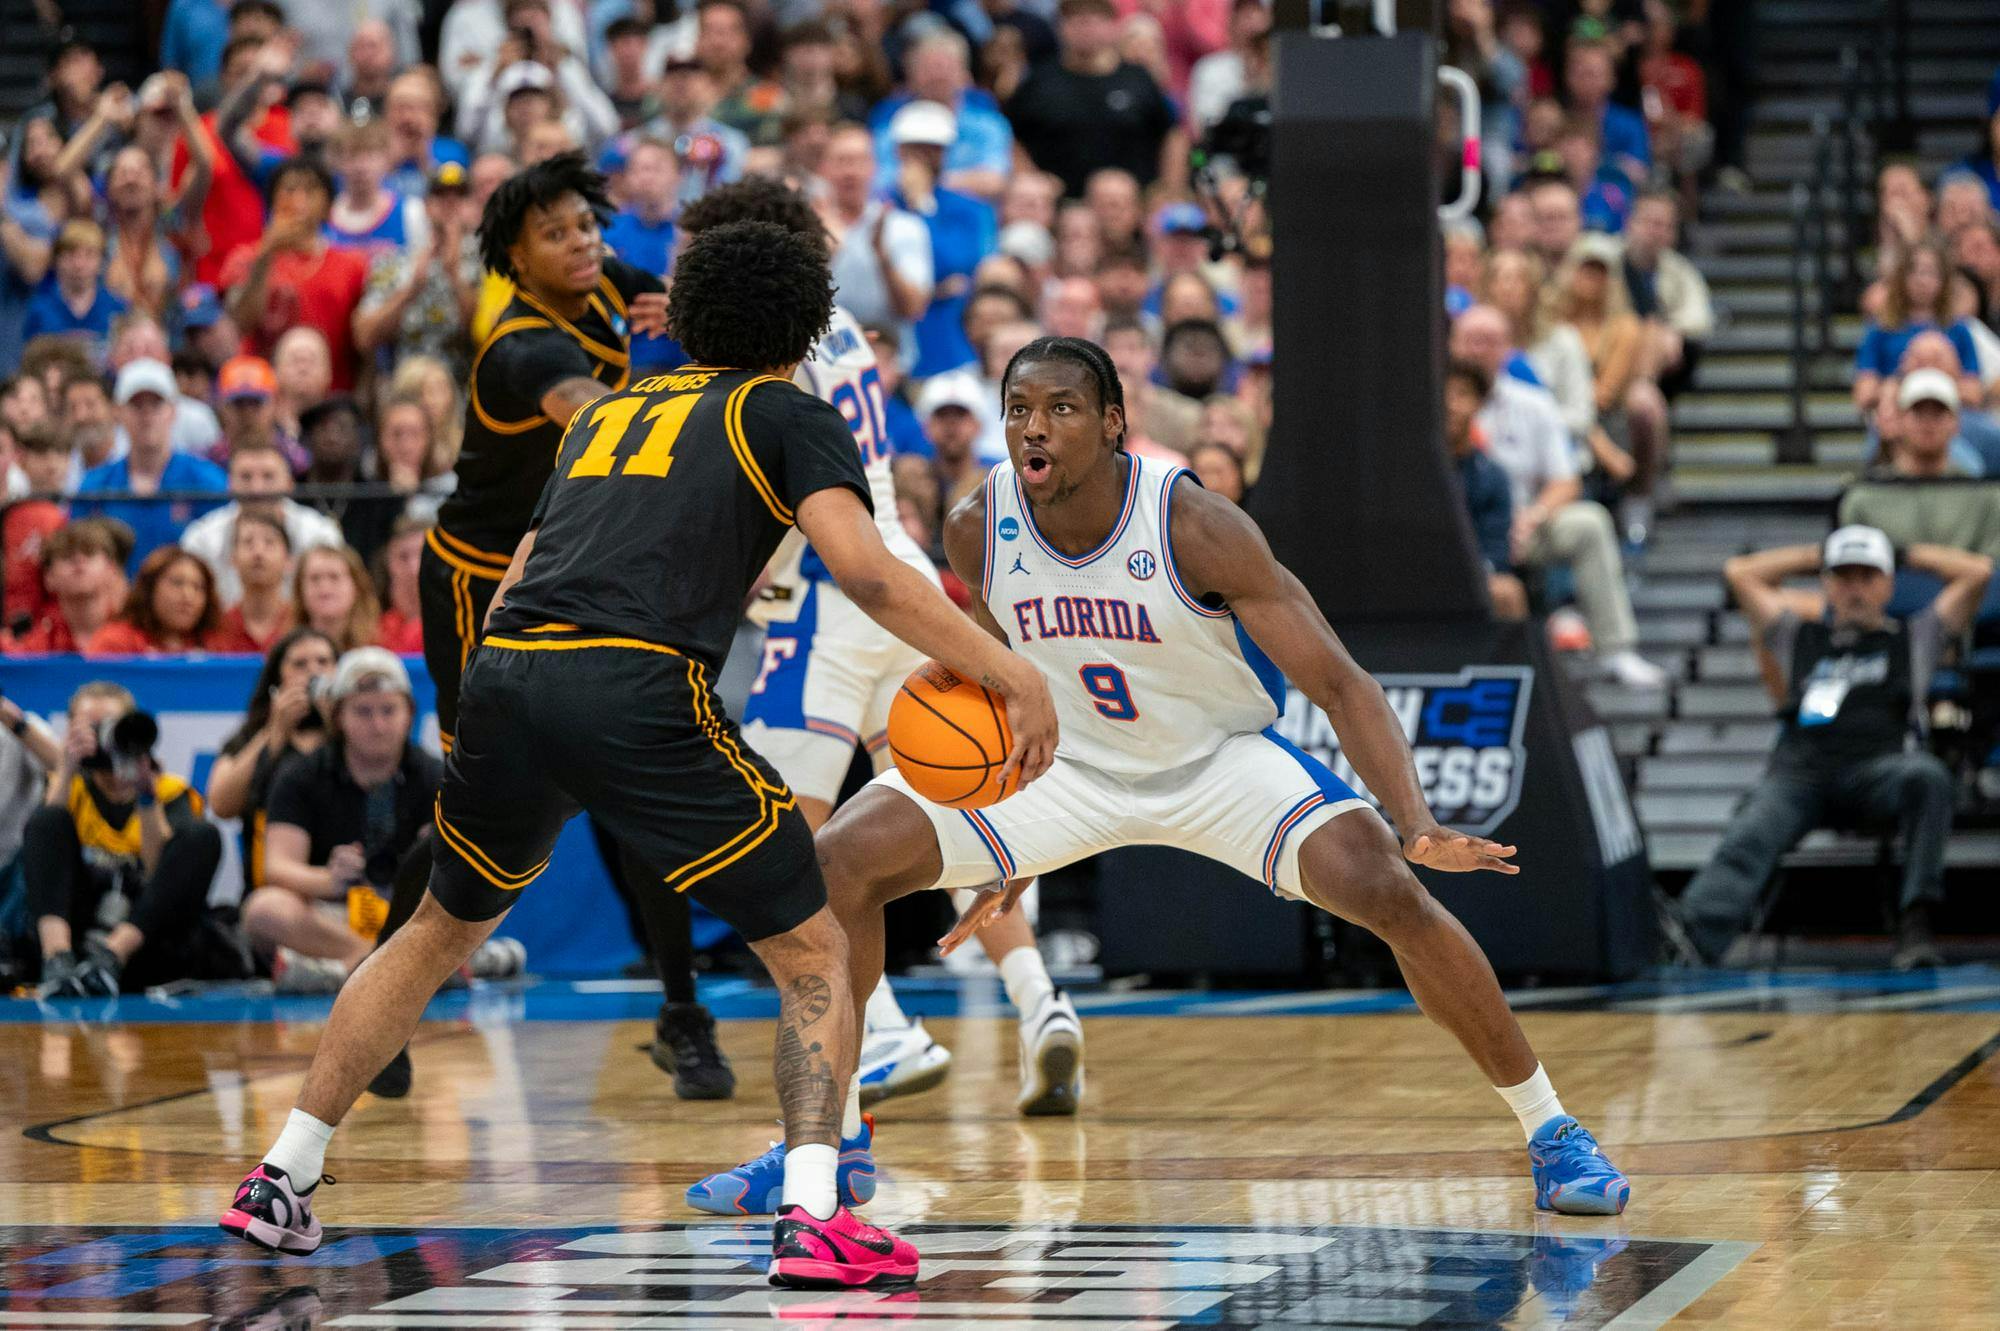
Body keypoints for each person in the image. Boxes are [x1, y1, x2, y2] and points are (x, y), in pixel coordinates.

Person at [217, 216, 1060, 1291]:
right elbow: (872, 573)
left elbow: (525, 563)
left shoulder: (611, 410)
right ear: (804, 322)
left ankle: (284, 1172)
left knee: (433, 931)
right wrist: (1008, 669)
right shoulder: (788, 411)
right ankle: (814, 1213)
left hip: (509, 670)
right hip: (632, 682)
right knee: (811, 945)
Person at [696, 333, 1632, 1229]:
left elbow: (1340, 681)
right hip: (1064, 766)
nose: (1034, 427)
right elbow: (993, 679)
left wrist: (1414, 818)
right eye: (1019, 408)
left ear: (1113, 422)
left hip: (1216, 761)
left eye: (1061, 408)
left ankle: (1553, 1132)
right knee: (838, 861)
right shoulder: (977, 528)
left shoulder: (1195, 523)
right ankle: (829, 1140)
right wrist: (1006, 845)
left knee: (1388, 885)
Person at [669, 179, 1072, 1135]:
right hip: (908, 586)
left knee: (776, 857)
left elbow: (773, 485)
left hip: (829, 600)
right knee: (954, 823)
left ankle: (886, 1029)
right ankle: (1041, 1000)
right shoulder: (839, 327)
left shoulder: (764, 353)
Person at [1684, 528, 1992, 969]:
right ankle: (1693, 940)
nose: (1856, 589)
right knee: (1752, 826)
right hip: (1800, 777)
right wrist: (1816, 554)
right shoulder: (1797, 636)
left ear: (1888, 585)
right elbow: (1740, 573)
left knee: (1929, 777)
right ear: (1825, 584)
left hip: (1878, 772)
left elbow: (1978, 572)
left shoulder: (1914, 638)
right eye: (1843, 576)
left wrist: (1904, 554)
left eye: (1868, 576)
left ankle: (1915, 922)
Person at [1449, 305, 1665, 688]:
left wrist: (1532, 515)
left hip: (1524, 520)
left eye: (1490, 341)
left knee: (1590, 523)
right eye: (1471, 341)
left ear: (1509, 347)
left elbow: (1566, 480)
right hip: (1455, 521)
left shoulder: (1534, 403)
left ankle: (1617, 650)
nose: (1479, 350)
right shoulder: (1431, 405)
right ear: (1452, 345)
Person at [242, 648, 444, 992]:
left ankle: (345, 969)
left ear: (409, 714)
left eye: (388, 710)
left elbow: (456, 872)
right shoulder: (302, 775)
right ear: (338, 716)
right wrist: (331, 879)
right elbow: (276, 867)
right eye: (363, 712)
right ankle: (373, 961)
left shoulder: (432, 775)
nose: (378, 725)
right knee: (263, 909)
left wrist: (421, 865)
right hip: (331, 916)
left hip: (404, 914)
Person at [26, 681, 225, 997]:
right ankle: (57, 961)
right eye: (93, 728)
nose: (103, 739)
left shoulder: (170, 791)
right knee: (45, 819)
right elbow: (44, 854)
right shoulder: (67, 787)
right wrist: (66, 768)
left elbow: (159, 873)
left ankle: (110, 957)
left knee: (203, 836)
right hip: (78, 926)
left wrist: (146, 796)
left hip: (141, 939)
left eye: (111, 727)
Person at [219, 158, 371, 392]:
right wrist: (266, 255)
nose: (298, 199)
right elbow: (240, 324)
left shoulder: (353, 265)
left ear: (328, 207)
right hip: (261, 394)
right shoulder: (244, 259)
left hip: (331, 394)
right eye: (289, 189)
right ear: (272, 202)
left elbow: (363, 346)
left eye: (310, 190)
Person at [207, 628, 339, 893]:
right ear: (278, 677)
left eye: (323, 662)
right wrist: (274, 732)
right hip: (270, 892)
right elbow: (221, 804)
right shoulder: (252, 735)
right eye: (299, 664)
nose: (313, 672)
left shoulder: (355, 734)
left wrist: (336, 722)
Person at [1006, 0, 1182, 198]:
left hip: (1132, 205)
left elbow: (1173, 134)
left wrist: (1168, 189)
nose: (1085, 29)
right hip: (1059, 204)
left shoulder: (1138, 78)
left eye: (1093, 21)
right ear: (1060, 27)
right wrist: (1031, 179)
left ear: (1113, 26)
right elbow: (1009, 135)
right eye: (1076, 21)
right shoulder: (1039, 80)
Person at [72, 360, 229, 572]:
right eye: (136, 405)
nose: (147, 415)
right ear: (118, 413)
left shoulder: (210, 481)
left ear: (173, 411)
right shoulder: (94, 485)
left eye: (156, 404)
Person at [1839, 370, 2000, 563]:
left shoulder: (1987, 499)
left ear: (1955, 422)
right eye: (1918, 411)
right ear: (1899, 418)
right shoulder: (1862, 497)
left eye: (1938, 412)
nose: (1928, 422)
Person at [886, 101, 996, 378]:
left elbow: (950, 263)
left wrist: (920, 204)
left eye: (933, 149)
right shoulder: (880, 205)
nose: (924, 157)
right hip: (893, 345)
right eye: (916, 148)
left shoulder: (967, 208)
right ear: (899, 150)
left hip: (948, 347)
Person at [815, 123, 932, 363]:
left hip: (891, 361)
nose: (851, 172)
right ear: (824, 169)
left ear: (874, 167)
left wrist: (882, 255)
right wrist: (824, 249)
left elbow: (914, 309)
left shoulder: (903, 226)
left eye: (859, 161)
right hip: (825, 360)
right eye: (842, 161)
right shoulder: (807, 226)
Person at [182, 442, 347, 606]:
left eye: (268, 476)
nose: (257, 489)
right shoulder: (201, 538)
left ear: (289, 484)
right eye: (246, 477)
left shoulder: (321, 534)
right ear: (229, 484)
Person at [867, 28, 1014, 202]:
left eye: (946, 67)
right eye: (928, 68)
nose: (937, 76)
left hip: (972, 217)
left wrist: (932, 183)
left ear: (965, 75)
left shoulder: (989, 126)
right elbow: (875, 180)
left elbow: (995, 180)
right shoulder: (891, 126)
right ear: (910, 76)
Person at [1854, 240, 1986, 416]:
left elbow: (1974, 394)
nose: (1922, 280)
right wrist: (1904, 379)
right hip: (1896, 419)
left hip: (1951, 420)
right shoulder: (1881, 330)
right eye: (1914, 271)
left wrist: (1938, 374)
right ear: (1901, 278)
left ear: (1944, 280)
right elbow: (1864, 395)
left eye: (1931, 273)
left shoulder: (1959, 329)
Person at [1445, 358, 1528, 621]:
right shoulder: (1404, 467)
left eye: (1462, 394)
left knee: (1507, 591)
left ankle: (1513, 662)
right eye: (1443, 394)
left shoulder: (1492, 476)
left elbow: (1496, 552)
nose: (1451, 404)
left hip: (1472, 574)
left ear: (1479, 404)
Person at [5, 519, 129, 654]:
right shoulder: (34, 648)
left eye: (90, 553)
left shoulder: (139, 638)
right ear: (48, 577)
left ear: (112, 569)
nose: (79, 560)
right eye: (66, 555)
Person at [21, 220, 128, 366]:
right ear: (56, 259)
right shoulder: (37, 309)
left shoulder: (117, 309)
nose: (79, 264)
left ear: (102, 262)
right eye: (70, 254)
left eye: (89, 255)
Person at [85, 545, 226, 655]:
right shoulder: (115, 643)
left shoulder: (218, 645)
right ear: (150, 589)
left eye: (198, 587)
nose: (188, 595)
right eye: (177, 583)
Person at [208, 511, 297, 653]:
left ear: (289, 560)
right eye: (248, 542)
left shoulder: (301, 623)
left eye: (269, 542)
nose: (258, 552)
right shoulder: (215, 626)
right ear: (233, 559)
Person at [293, 544, 381, 653]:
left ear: (357, 586)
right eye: (315, 578)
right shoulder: (286, 647)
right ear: (299, 589)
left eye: (334, 577)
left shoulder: (381, 642)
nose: (324, 586)